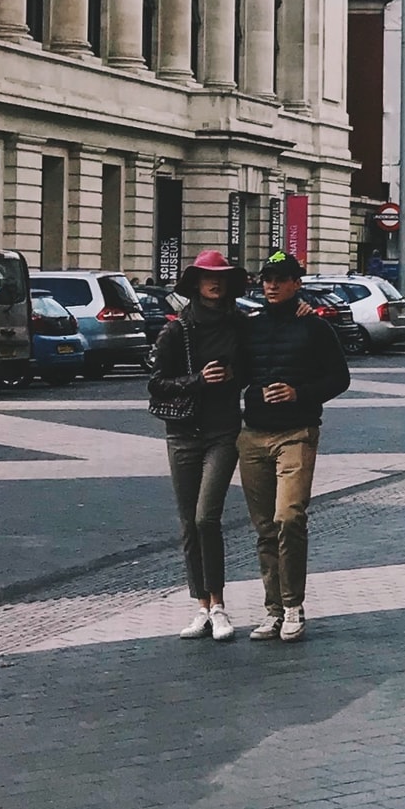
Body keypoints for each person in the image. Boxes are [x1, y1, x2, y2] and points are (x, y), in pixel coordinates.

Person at [237, 249, 351, 643]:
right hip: (252, 435)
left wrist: (298, 392)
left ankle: (293, 605)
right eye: (266, 279)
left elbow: (340, 378)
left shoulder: (315, 328)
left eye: (280, 279)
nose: (271, 285)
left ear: (296, 285)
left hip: (296, 433)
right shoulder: (249, 326)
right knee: (265, 527)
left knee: (289, 517)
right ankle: (273, 609)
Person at [152, 249, 250, 642]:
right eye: (208, 277)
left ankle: (221, 605)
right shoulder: (178, 330)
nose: (215, 283)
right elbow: (157, 382)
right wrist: (197, 381)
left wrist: (232, 373)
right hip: (182, 434)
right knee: (188, 524)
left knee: (206, 517)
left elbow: (255, 365)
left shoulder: (240, 325)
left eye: (222, 277)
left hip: (223, 431)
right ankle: (202, 608)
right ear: (194, 284)